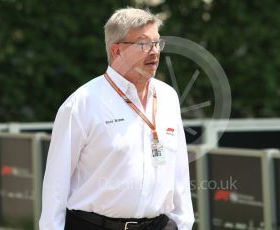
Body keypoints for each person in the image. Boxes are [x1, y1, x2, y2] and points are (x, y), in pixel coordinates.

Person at [39, 7, 194, 230]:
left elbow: (179, 172)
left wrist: (183, 224)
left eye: (157, 43)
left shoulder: (168, 96)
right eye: (143, 44)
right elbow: (56, 182)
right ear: (117, 51)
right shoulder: (82, 103)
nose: (154, 52)